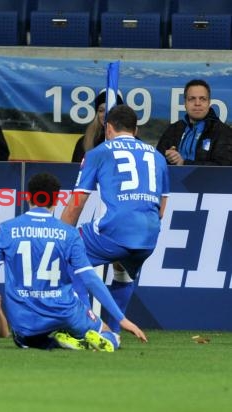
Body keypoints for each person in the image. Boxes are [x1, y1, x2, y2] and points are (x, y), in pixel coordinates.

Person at [0, 172, 147, 352]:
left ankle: (56, 342)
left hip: (24, 321)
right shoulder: (69, 234)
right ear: (57, 199)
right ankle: (83, 338)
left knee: (24, 340)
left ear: (28, 197)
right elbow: (90, 279)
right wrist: (122, 319)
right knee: (110, 334)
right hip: (65, 311)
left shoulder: (4, 231)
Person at [61, 105, 169, 335]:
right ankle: (114, 332)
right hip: (149, 236)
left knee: (71, 255)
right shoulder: (158, 158)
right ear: (136, 129)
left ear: (108, 127)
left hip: (115, 230)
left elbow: (76, 204)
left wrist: (59, 237)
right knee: (122, 268)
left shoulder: (98, 153)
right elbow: (161, 209)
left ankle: (85, 328)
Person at [156, 79, 232, 166]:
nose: (197, 103)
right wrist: (167, 157)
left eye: (202, 99)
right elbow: (157, 162)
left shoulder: (223, 132)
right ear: (185, 103)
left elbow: (224, 167)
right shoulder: (173, 129)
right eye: (192, 99)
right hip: (173, 179)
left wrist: (184, 163)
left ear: (209, 103)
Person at [71, 89, 124, 162]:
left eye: (110, 110)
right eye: (101, 110)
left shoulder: (132, 141)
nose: (105, 115)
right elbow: (75, 170)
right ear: (97, 114)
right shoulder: (84, 142)